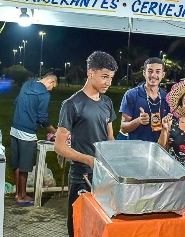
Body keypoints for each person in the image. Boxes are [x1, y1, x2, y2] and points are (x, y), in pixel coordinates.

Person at [54, 51, 118, 237]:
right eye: (104, 76)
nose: (108, 82)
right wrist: (87, 159)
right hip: (82, 177)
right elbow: (60, 146)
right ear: (91, 73)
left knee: (101, 226)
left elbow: (110, 138)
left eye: (111, 78)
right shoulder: (72, 104)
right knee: (78, 226)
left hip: (104, 177)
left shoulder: (107, 102)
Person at [10, 72, 58, 206]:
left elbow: (16, 101)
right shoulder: (44, 95)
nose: (51, 89)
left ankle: (18, 193)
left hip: (14, 128)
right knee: (24, 165)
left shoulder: (27, 84)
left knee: (17, 164)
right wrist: (55, 131)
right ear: (51, 82)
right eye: (53, 87)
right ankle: (22, 195)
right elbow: (43, 117)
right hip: (27, 133)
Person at [117, 57, 170, 142]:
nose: (153, 75)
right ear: (144, 73)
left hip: (159, 149)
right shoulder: (132, 95)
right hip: (136, 150)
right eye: (150, 71)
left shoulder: (167, 98)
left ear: (163, 75)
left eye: (158, 71)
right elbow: (123, 128)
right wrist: (138, 121)